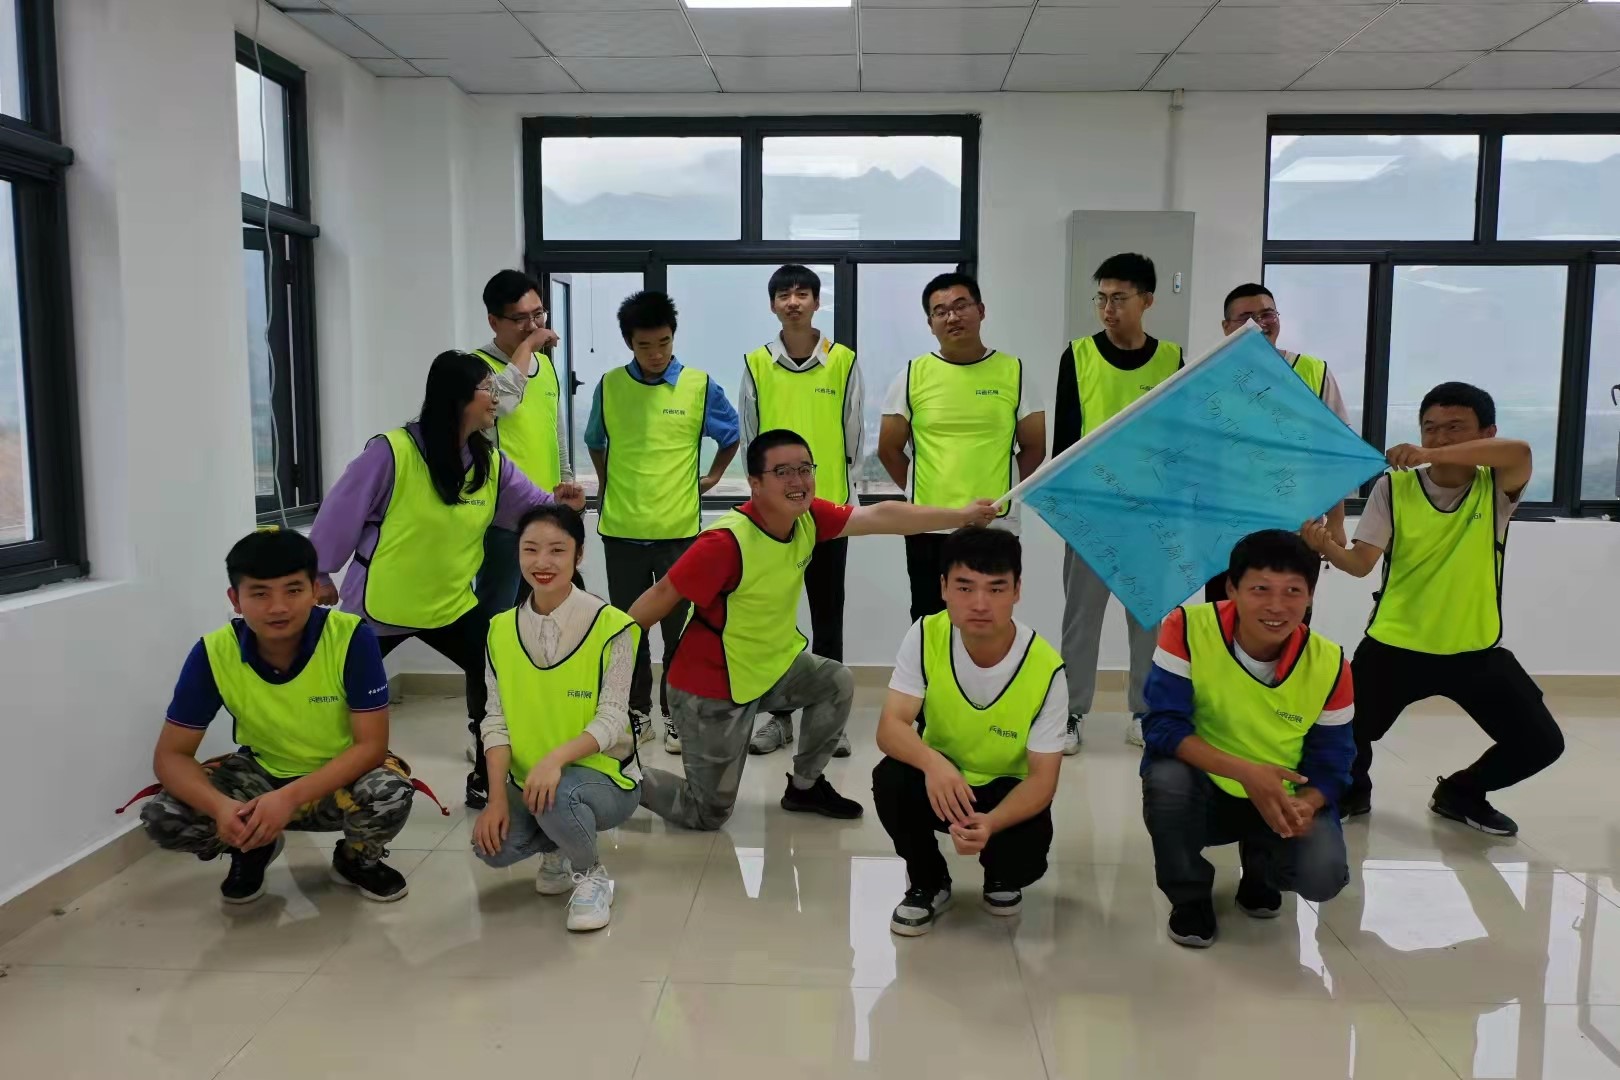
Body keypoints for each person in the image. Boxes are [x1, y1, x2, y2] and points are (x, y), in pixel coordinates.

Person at [629, 429, 999, 832]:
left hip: (770, 669)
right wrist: (607, 659)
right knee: (707, 813)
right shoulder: (724, 543)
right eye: (783, 472)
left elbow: (881, 517)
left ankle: (804, 788)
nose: (798, 480)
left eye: (805, 469)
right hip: (710, 687)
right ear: (755, 483)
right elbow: (661, 596)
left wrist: (961, 516)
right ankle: (616, 775)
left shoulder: (807, 519)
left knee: (834, 681)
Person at [311, 351, 586, 810]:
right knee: (330, 692)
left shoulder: (489, 462)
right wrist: (318, 571)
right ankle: (314, 775)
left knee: (496, 674)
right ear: (457, 397)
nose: (496, 397)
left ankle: (487, 775)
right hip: (378, 607)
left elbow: (534, 508)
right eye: (487, 388)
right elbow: (342, 511)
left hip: (450, 605)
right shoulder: (391, 452)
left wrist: (565, 507)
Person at [1302, 382, 1563, 836]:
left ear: (1487, 433)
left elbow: (1519, 452)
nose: (1439, 437)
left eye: (1454, 428)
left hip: (1473, 650)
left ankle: (1461, 793)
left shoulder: (1496, 487)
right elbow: (1361, 564)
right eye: (1430, 428)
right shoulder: (1393, 487)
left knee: (1541, 742)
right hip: (1394, 645)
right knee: (1338, 731)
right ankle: (1352, 791)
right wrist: (1326, 547)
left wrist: (1430, 455)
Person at [139, 529, 414, 904]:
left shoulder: (351, 638)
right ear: (235, 600)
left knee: (390, 792)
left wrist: (287, 799)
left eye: (293, 590)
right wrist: (222, 808)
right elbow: (171, 755)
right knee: (163, 814)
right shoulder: (213, 653)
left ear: (315, 591)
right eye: (260, 594)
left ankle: (356, 860)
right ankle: (251, 846)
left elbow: (371, 746)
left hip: (339, 778)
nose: (278, 607)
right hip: (260, 776)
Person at [1140, 530, 1354, 949]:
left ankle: (1262, 867)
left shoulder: (1330, 663)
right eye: (1260, 589)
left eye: (1293, 591)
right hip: (1205, 786)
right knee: (1167, 781)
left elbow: (1334, 763)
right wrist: (1247, 774)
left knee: (1323, 874)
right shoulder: (1187, 627)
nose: (1276, 606)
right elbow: (1163, 726)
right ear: (1231, 589)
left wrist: (1306, 804)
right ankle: (1189, 897)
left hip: (1280, 798)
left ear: (1310, 596)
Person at [873, 528, 1064, 936]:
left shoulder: (1046, 667)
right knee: (891, 777)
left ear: (1017, 591)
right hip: (944, 782)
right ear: (943, 588)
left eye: (996, 589)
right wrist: (933, 764)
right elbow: (890, 727)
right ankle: (928, 881)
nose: (979, 603)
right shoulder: (926, 634)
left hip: (1006, 789)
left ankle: (1000, 875)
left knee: (1023, 860)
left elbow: (1043, 780)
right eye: (965, 587)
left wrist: (991, 823)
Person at [471, 505, 641, 933]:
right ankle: (558, 846)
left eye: (557, 550)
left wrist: (554, 760)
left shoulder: (613, 626)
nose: (542, 562)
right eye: (530, 549)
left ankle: (591, 874)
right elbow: (495, 721)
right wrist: (495, 798)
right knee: (491, 847)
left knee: (560, 794)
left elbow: (612, 718)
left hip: (603, 778)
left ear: (578, 555)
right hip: (530, 780)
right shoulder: (499, 629)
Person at [586, 290, 741, 756]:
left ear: (674, 337)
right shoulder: (610, 385)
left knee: (681, 632)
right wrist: (606, 482)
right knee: (629, 629)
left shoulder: (699, 385)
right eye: (644, 346)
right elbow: (595, 439)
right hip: (622, 530)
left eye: (664, 343)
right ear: (629, 343)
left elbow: (731, 434)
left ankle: (675, 714)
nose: (656, 354)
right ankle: (637, 715)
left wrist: (714, 476)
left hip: (679, 533)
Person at [1052, 253, 1184, 755]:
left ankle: (1144, 713)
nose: (1108, 309)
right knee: (1081, 620)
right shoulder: (1078, 356)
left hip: (1150, 519)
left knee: (1149, 620)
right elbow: (1066, 444)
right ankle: (1071, 712)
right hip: (1091, 515)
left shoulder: (1171, 359)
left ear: (1147, 300)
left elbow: (1180, 444)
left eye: (1119, 298)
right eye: (1102, 298)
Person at [740, 265, 863, 760]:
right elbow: (750, 438)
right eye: (784, 295)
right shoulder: (756, 363)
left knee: (828, 616)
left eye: (802, 294)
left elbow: (853, 438)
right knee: (776, 621)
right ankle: (780, 718)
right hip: (774, 519)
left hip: (827, 512)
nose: (793, 302)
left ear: (816, 301)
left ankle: (831, 722)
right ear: (773, 304)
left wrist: (839, 499)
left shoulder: (843, 361)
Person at [877, 271, 1046, 626]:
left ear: (980, 310)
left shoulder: (1014, 371)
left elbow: (1034, 446)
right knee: (929, 620)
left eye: (961, 306)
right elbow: (889, 449)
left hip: (995, 525)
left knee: (990, 619)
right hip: (928, 525)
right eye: (940, 312)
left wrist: (1002, 494)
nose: (952, 317)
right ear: (930, 323)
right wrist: (924, 496)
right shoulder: (912, 374)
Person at [1204, 282, 1352, 606]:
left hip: (1298, 533)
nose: (1259, 323)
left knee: (1288, 621)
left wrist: (1337, 521)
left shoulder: (1313, 372)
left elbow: (1336, 453)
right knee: (1224, 623)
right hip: (1225, 536)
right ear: (1226, 327)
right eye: (1246, 317)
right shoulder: (1207, 379)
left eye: (1267, 314)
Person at [470, 270, 580, 616]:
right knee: (498, 615)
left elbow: (555, 432)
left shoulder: (545, 366)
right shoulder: (477, 367)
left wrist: (566, 484)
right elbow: (502, 404)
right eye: (520, 318)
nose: (533, 326)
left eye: (538, 314)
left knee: (543, 614)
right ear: (494, 321)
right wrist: (529, 346)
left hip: (547, 513)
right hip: (503, 520)